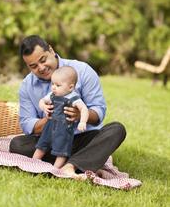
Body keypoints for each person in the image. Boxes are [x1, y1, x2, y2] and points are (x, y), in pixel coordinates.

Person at [10, 35, 126, 178]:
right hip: (50, 140)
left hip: (82, 138)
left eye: (43, 60)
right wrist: (50, 120)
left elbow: (98, 112)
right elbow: (27, 124)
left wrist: (79, 116)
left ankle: (70, 166)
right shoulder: (27, 85)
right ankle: (84, 162)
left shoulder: (82, 71)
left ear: (51, 50)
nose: (41, 68)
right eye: (33, 66)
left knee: (116, 130)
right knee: (17, 144)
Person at [33, 66, 89, 170]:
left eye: (58, 85)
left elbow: (84, 109)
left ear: (70, 87)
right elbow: (42, 101)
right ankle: (34, 161)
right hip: (50, 125)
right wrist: (44, 107)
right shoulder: (52, 95)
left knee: (62, 149)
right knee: (42, 144)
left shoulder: (73, 98)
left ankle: (55, 168)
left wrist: (83, 122)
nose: (53, 87)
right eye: (52, 84)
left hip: (64, 128)